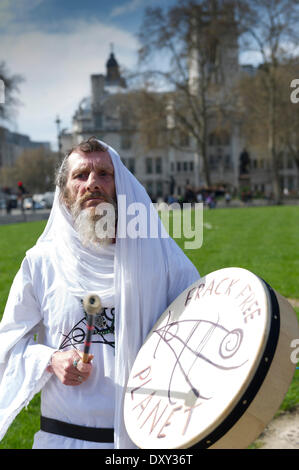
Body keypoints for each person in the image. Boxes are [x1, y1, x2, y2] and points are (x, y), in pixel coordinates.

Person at [0, 137, 200, 449]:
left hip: (147, 441)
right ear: (65, 193)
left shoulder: (163, 260)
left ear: (120, 185)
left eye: (104, 174)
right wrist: (50, 359)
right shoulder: (41, 263)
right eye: (80, 175)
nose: (93, 183)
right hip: (63, 440)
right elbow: (8, 343)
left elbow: (199, 334)